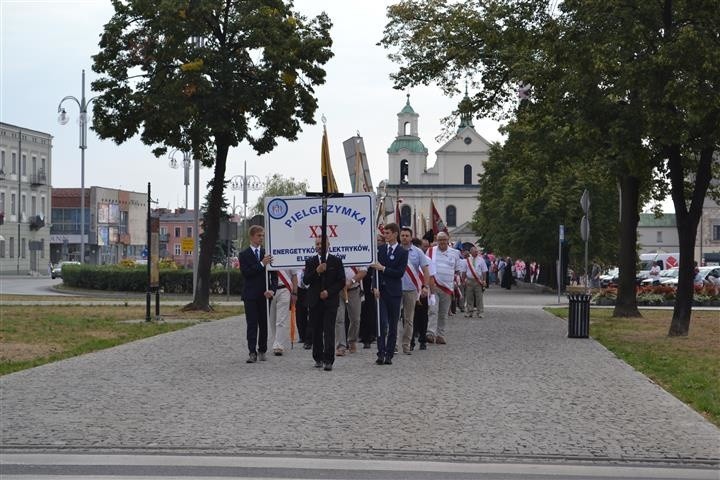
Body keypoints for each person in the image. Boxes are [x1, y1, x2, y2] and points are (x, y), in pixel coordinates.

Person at [303, 237, 345, 371]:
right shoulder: (311, 261)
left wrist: (329, 292)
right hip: (315, 301)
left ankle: (328, 360)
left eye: (322, 243)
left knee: (329, 330)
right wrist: (317, 271)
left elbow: (341, 281)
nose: (319, 246)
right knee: (316, 330)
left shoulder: (336, 261)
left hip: (330, 301)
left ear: (328, 244)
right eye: (317, 244)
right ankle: (318, 358)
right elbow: (306, 280)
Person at [370, 223, 408, 365]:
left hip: (394, 292)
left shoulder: (402, 252)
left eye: (387, 233)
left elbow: (399, 273)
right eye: (384, 233)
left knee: (393, 324)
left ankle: (389, 354)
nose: (385, 235)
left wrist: (384, 269)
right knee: (381, 323)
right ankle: (380, 352)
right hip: (381, 292)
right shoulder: (380, 250)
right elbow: (374, 269)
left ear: (394, 234)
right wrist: (374, 287)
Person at [239, 225, 273, 364]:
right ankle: (252, 351)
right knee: (252, 324)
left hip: (264, 295)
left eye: (263, 235)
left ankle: (262, 350)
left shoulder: (267, 253)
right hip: (250, 295)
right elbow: (247, 273)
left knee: (264, 324)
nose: (261, 238)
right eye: (259, 235)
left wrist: (272, 289)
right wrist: (261, 264)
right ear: (252, 237)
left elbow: (274, 275)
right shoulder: (244, 254)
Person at [399, 227, 431, 355]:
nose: (404, 237)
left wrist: (425, 286)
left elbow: (426, 270)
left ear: (411, 237)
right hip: (396, 289)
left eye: (407, 235)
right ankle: (394, 345)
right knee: (394, 319)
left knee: (409, 319)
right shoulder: (395, 250)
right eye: (402, 235)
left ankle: (406, 345)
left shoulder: (418, 252)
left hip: (411, 289)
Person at [426, 231, 462, 344]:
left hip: (447, 288)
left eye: (444, 239)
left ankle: (440, 335)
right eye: (440, 239)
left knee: (443, 313)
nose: (442, 242)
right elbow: (426, 267)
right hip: (433, 286)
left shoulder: (455, 253)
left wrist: (456, 283)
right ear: (437, 240)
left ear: (448, 240)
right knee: (433, 310)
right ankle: (430, 333)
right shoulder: (431, 251)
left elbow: (457, 270)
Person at [334, 264, 367, 355]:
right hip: (338, 291)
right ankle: (341, 346)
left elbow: (363, 271)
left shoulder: (356, 254)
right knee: (339, 319)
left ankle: (352, 340)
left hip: (353, 290)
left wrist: (351, 281)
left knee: (355, 319)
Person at [267, 268, 297, 356]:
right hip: (271, 290)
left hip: (285, 289)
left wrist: (294, 292)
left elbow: (294, 275)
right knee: (272, 319)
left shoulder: (287, 257)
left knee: (281, 319)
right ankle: (276, 340)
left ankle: (279, 345)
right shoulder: (267, 256)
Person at [464, 245, 488, 318]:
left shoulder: (481, 260)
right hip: (469, 280)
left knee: (479, 297)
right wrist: (464, 280)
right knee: (469, 297)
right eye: (474, 251)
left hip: (478, 281)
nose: (476, 252)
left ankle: (480, 312)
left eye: (476, 251)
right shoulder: (467, 260)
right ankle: (469, 311)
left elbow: (484, 271)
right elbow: (464, 271)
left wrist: (484, 280)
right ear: (471, 252)